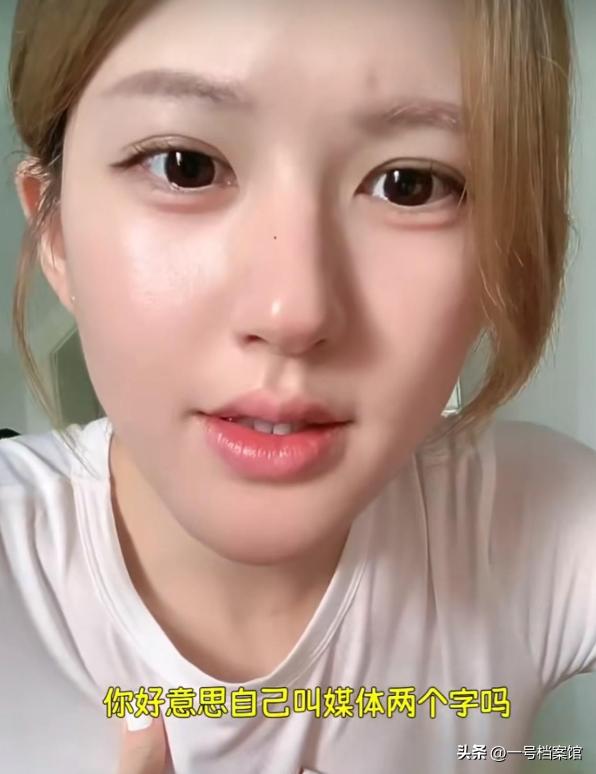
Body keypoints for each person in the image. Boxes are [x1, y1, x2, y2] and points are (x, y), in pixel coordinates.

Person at [0, 0, 594, 772]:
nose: (292, 311)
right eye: (185, 166)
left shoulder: (537, 524)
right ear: (54, 232)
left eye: (410, 185)